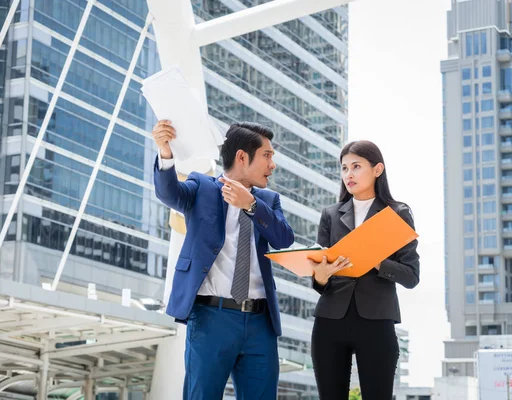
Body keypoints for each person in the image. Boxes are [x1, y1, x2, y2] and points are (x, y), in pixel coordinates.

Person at [152, 119, 294, 399]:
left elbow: (284, 238)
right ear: (242, 157)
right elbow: (169, 194)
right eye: (267, 155)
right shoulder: (202, 186)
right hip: (211, 318)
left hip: (260, 322)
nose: (272, 164)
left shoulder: (268, 199)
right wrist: (165, 152)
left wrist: (251, 206)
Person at [308, 140, 420, 400]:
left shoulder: (397, 214)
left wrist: (378, 262)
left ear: (377, 169)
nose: (349, 174)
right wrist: (320, 277)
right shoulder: (331, 215)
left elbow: (411, 276)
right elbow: (319, 276)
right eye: (344, 168)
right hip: (330, 320)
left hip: (377, 320)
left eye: (356, 167)